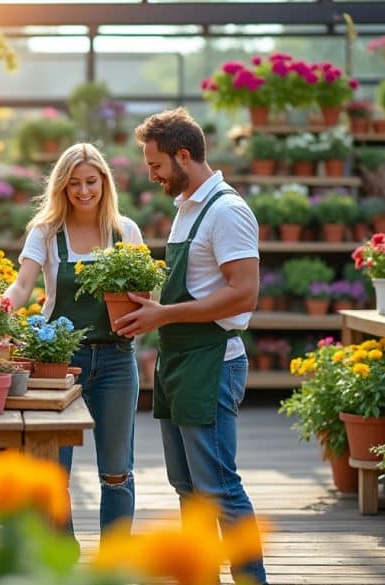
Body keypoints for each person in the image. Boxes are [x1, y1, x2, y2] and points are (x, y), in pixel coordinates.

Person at [114, 108, 268, 585]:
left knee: (218, 486)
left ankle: (252, 580)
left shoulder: (227, 210)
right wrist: (153, 303)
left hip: (213, 363)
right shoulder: (188, 209)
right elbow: (199, 289)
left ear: (184, 155)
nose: (152, 174)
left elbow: (243, 293)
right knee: (186, 487)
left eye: (156, 164)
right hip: (181, 361)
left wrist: (164, 314)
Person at [3, 142, 143, 541]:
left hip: (116, 361)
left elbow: (143, 293)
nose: (83, 191)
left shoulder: (124, 231)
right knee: (53, 472)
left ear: (105, 182)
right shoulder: (46, 232)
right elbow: (23, 285)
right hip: (59, 364)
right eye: (74, 184)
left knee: (117, 471)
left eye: (91, 182)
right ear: (62, 187)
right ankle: (63, 559)